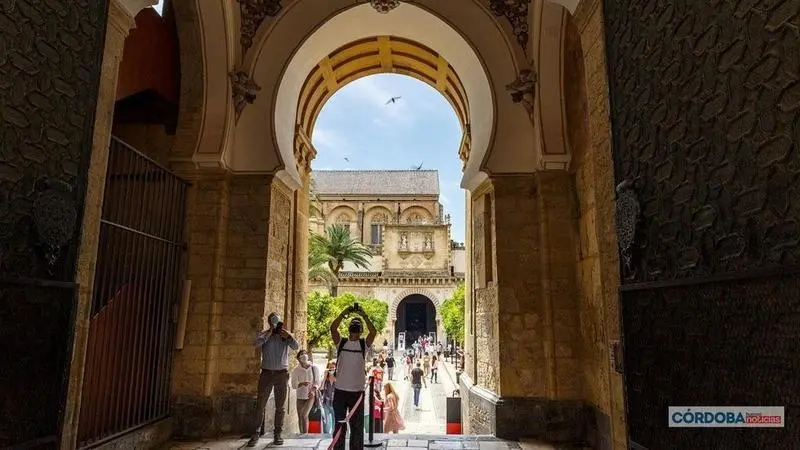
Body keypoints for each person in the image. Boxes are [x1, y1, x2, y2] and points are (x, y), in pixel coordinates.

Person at [330, 304, 377, 450]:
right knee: (339, 425)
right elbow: (333, 328)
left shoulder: (363, 344)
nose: (354, 327)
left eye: (357, 326)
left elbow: (373, 332)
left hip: (357, 393)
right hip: (340, 391)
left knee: (356, 427)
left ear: (360, 330)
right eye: (353, 325)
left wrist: (364, 315)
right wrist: (344, 313)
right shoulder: (341, 343)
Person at [248, 312, 299, 447]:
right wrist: (269, 333)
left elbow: (296, 346)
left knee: (280, 406)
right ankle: (255, 433)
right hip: (266, 373)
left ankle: (278, 433)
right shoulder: (264, 334)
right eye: (272, 321)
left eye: (276, 320)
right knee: (260, 404)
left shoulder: (285, 335)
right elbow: (256, 343)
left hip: (281, 374)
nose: (275, 323)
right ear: (269, 322)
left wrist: (288, 336)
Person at [290, 350, 319, 433]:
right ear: (298, 358)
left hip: (311, 395)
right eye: (302, 354)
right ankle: (301, 434)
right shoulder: (296, 370)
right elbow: (294, 385)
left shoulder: (314, 368)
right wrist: (301, 383)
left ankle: (305, 435)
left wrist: (313, 391)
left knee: (304, 415)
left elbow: (317, 382)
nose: (304, 355)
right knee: (300, 417)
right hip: (300, 396)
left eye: (305, 354)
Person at [321, 370, 336, 434]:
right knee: (327, 421)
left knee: (335, 420)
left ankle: (334, 435)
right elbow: (321, 388)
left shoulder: (338, 379)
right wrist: (324, 377)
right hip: (326, 403)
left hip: (335, 403)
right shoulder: (325, 380)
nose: (332, 369)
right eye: (330, 368)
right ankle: (326, 435)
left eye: (333, 367)